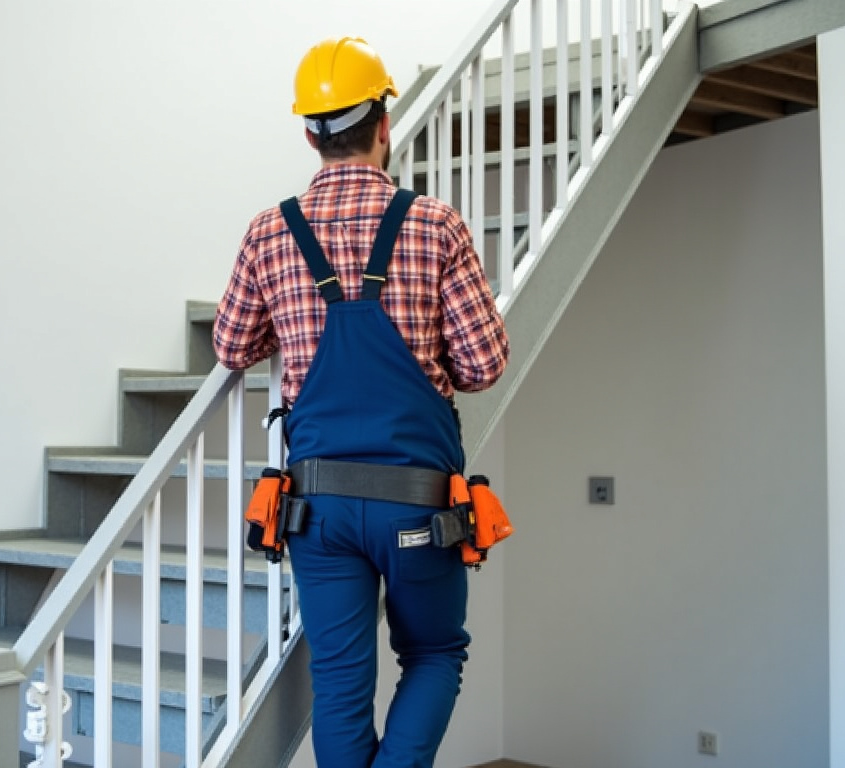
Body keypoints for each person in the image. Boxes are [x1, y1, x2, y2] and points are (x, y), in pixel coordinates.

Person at [213, 37, 509, 768]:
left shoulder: (268, 231)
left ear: (309, 134)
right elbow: (484, 364)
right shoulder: (435, 223)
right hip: (420, 506)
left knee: (340, 680)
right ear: (384, 123)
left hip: (318, 509)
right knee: (436, 651)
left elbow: (230, 347)